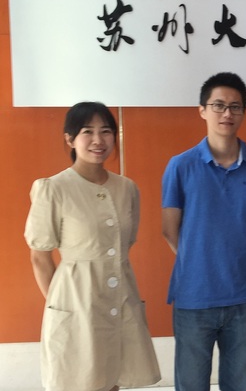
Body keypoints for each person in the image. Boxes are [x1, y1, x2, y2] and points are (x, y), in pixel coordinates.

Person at [25, 102, 161, 391]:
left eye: (106, 131)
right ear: (70, 139)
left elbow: (124, 244)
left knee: (114, 378)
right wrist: (62, 306)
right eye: (87, 131)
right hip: (76, 299)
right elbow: (40, 257)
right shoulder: (54, 188)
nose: (98, 140)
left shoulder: (127, 188)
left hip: (121, 295)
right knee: (79, 380)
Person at [161, 72, 246, 391]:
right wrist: (201, 260)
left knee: (240, 385)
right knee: (191, 385)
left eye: (235, 107)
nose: (227, 113)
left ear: (243, 112)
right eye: (218, 105)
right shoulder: (181, 166)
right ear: (202, 110)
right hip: (194, 297)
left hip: (243, 296)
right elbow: (170, 230)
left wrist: (231, 256)